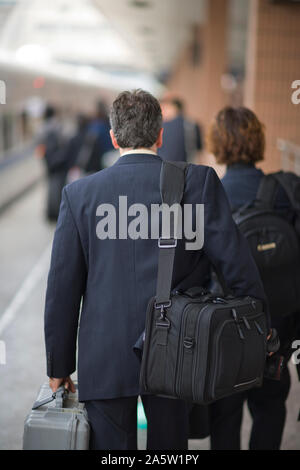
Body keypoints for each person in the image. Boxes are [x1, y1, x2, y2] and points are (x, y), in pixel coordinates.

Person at [44, 90, 268, 450]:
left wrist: (59, 364)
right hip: (181, 351)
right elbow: (237, 267)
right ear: (161, 135)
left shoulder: (79, 195)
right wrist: (260, 330)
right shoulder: (199, 183)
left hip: (105, 356)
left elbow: (62, 290)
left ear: (115, 137)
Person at [207, 106, 299, 450]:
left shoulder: (209, 192)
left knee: (224, 416)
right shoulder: (283, 192)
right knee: (271, 408)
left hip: (224, 329)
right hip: (277, 327)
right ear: (258, 141)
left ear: (218, 144)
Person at [35, 105, 67, 221]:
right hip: (60, 162)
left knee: (49, 185)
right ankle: (58, 211)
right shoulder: (58, 126)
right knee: (59, 186)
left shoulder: (41, 128)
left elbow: (38, 146)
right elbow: (64, 143)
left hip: (48, 162)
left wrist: (44, 158)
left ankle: (50, 212)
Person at [159, 97, 202, 162]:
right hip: (187, 168)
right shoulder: (192, 125)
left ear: (174, 108)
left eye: (166, 108)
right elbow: (199, 152)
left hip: (165, 167)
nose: (163, 112)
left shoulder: (162, 126)